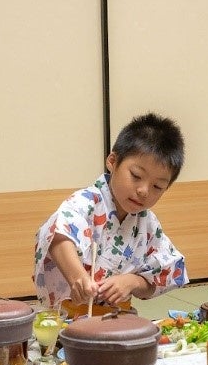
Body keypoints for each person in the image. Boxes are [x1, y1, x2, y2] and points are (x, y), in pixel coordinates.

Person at [34, 113, 188, 313]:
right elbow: (57, 235)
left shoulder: (148, 223)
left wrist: (133, 282)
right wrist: (78, 277)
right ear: (112, 161)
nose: (144, 191)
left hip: (119, 317)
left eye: (157, 186)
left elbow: (168, 272)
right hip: (69, 315)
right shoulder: (86, 203)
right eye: (136, 176)